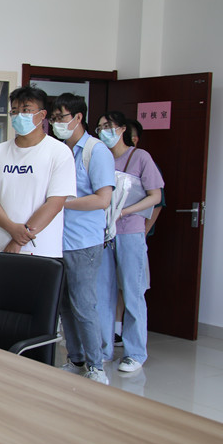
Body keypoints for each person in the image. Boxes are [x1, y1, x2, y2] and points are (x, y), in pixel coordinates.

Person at [50, 93, 115, 384]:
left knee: (83, 305)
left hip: (83, 242)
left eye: (61, 117)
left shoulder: (96, 151)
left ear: (78, 117)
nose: (56, 123)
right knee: (64, 304)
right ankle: (75, 358)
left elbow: (102, 199)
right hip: (58, 241)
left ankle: (96, 365)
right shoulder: (60, 150)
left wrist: (61, 202)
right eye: (53, 118)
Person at [95, 111, 164, 372]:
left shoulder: (140, 157)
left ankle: (135, 353)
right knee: (103, 292)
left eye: (108, 126)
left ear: (122, 129)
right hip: (103, 234)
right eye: (100, 127)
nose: (104, 131)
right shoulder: (100, 157)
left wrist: (125, 212)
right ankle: (103, 349)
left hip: (130, 231)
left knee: (133, 293)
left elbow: (155, 196)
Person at [0, 86, 76, 257]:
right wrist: (12, 229)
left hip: (40, 249)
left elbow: (55, 203)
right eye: (15, 111)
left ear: (42, 115)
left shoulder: (59, 152)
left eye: (26, 110)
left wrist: (18, 240)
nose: (19, 115)